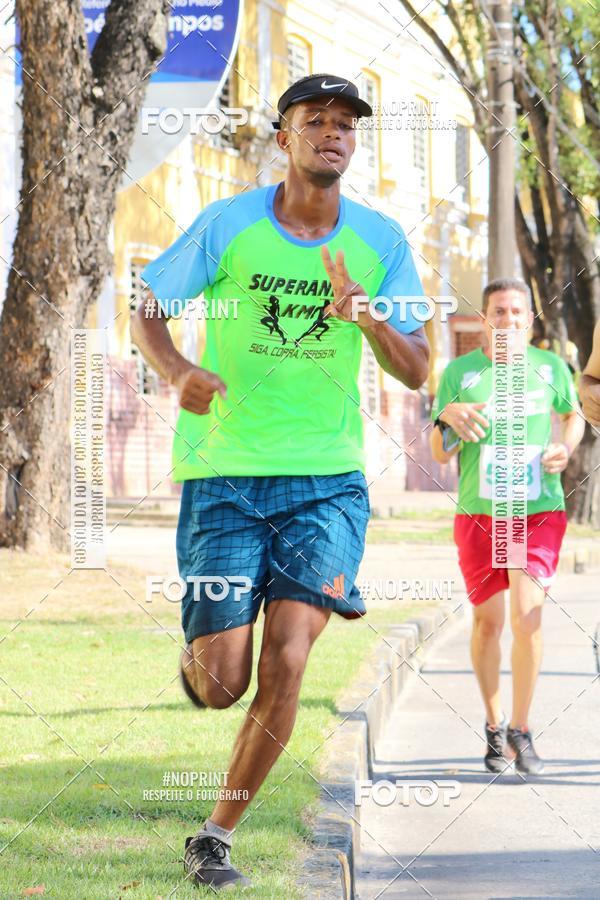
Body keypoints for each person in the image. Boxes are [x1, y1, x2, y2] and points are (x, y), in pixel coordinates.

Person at [131, 73, 429, 889]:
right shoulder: (229, 224)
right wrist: (177, 368)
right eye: (315, 120)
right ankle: (202, 652)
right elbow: (147, 301)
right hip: (226, 474)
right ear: (283, 135)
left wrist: (368, 317)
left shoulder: (380, 240)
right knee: (224, 680)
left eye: (346, 125)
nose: (332, 134)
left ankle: (215, 834)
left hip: (326, 481)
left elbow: (417, 367)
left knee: (290, 657)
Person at [430, 278, 584, 775]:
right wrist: (448, 420)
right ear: (485, 317)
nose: (509, 320)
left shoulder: (549, 368)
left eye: (518, 312)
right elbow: (439, 450)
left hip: (535, 509)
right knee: (489, 622)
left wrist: (567, 446)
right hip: (480, 512)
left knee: (528, 616)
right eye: (499, 311)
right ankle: (494, 727)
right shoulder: (461, 372)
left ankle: (522, 727)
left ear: (530, 318)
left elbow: (573, 414)